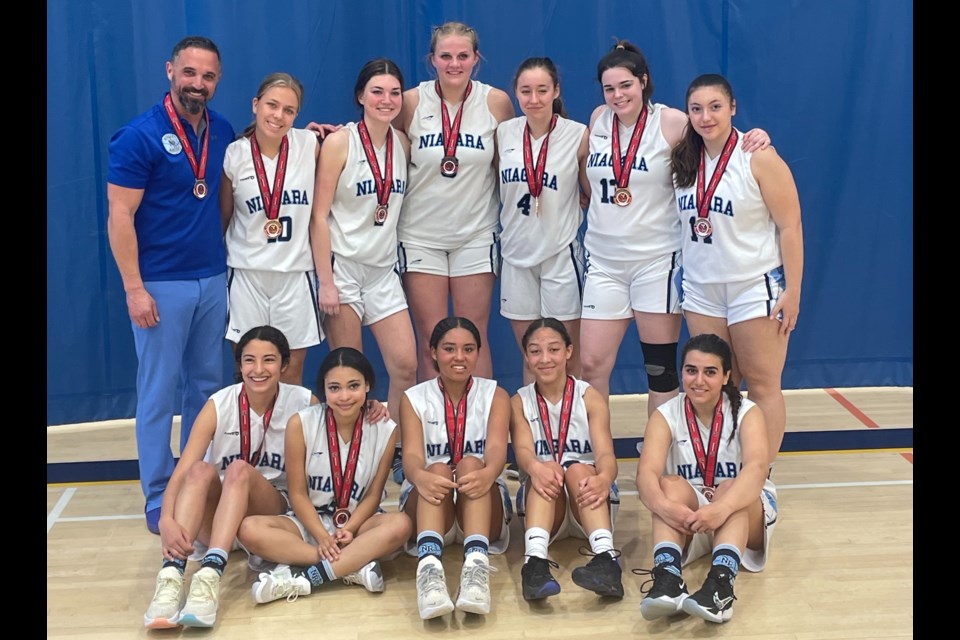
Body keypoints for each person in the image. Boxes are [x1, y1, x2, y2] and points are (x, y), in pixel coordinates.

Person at [579, 41, 770, 418]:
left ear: (643, 82)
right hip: (603, 262)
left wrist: (757, 135)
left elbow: (717, 133)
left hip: (656, 261)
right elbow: (588, 169)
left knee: (660, 371)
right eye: (609, 88)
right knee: (590, 366)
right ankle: (595, 459)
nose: (618, 95)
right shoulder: (598, 118)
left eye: (626, 85)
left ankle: (660, 455)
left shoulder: (671, 121)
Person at [107, 35, 235, 535]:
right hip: (160, 284)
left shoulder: (221, 129)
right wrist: (134, 288)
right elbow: (120, 216)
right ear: (170, 71)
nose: (197, 84)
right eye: (189, 73)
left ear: (217, 80)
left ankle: (194, 480)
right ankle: (158, 493)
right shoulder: (138, 135)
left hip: (211, 279)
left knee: (205, 391)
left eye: (207, 76)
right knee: (158, 392)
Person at [142, 326, 318, 629]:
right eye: (249, 360)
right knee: (199, 470)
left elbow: (345, 421)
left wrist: (371, 409)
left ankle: (209, 576)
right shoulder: (219, 404)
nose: (258, 369)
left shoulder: (303, 402)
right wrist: (167, 519)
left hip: (268, 512)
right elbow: (182, 470)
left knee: (238, 470)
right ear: (239, 365)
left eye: (269, 360)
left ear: (285, 365)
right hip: (218, 519)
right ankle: (171, 576)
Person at [670, 73, 803, 470]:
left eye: (715, 107)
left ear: (732, 107)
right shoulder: (683, 158)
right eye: (696, 108)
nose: (705, 116)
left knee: (762, 385)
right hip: (701, 288)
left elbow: (790, 226)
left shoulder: (758, 155)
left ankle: (761, 477)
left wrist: (793, 290)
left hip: (753, 284)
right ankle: (723, 463)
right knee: (717, 385)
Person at [310, 58, 417, 484]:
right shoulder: (340, 144)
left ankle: (392, 450)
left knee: (405, 366)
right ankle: (347, 459)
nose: (386, 100)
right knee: (349, 374)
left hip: (382, 270)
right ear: (360, 96)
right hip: (344, 269)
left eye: (394, 92)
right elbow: (319, 217)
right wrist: (326, 281)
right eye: (377, 92)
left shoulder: (403, 144)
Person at [237, 347, 411, 605]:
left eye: (353, 386)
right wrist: (321, 536)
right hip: (310, 523)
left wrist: (349, 529)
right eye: (334, 388)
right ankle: (351, 565)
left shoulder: (385, 429)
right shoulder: (301, 423)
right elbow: (297, 493)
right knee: (249, 529)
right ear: (324, 389)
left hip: (358, 526)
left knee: (401, 524)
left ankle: (306, 578)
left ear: (368, 386)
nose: (344, 396)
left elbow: (374, 495)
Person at [393, 21, 515, 384]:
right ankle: (433, 430)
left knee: (471, 335)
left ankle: (477, 430)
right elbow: (380, 145)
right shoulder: (412, 101)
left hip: (475, 234)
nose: (454, 64)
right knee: (433, 337)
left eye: (463, 55)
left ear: (476, 59)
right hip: (420, 235)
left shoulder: (495, 102)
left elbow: (510, 165)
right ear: (432, 59)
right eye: (445, 56)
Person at [633, 333, 778, 624]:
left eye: (710, 372)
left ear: (726, 376)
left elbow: (756, 470)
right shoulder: (666, 414)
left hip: (741, 510)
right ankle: (668, 579)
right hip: (692, 515)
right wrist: (663, 506)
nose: (698, 380)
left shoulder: (748, 413)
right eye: (691, 370)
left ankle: (720, 588)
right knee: (668, 486)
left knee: (730, 487)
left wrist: (720, 509)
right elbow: (645, 473)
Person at [398, 317, 512, 619]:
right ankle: (430, 573)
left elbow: (498, 451)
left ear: (478, 353)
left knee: (472, 464)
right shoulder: (413, 398)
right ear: (433, 351)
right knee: (435, 468)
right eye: (449, 348)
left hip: (481, 502)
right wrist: (421, 477)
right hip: (431, 502)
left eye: (468, 349)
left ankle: (476, 568)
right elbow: (410, 456)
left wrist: (488, 474)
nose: (459, 357)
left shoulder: (496, 395)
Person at [221, 72, 323, 386]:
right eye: (272, 105)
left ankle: (288, 436)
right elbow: (223, 220)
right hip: (247, 274)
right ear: (256, 105)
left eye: (289, 110)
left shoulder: (310, 144)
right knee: (249, 372)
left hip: (295, 275)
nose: (278, 116)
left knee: (291, 373)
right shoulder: (234, 154)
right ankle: (250, 436)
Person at [509, 318, 623, 601]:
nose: (545, 359)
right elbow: (523, 452)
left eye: (554, 349)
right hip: (546, 503)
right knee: (546, 469)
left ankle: (607, 560)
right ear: (526, 357)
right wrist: (536, 468)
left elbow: (606, 454)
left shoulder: (589, 397)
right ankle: (534, 563)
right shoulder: (519, 401)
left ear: (569, 352)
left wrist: (604, 478)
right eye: (535, 351)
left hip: (589, 498)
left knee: (578, 469)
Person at [496, 58, 589, 385]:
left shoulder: (578, 135)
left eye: (542, 90)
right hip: (516, 255)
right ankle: (534, 433)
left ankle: (571, 431)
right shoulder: (503, 133)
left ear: (556, 91)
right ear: (516, 93)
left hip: (559, 255)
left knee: (566, 357)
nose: (533, 99)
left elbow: (590, 192)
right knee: (532, 355)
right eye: (525, 91)